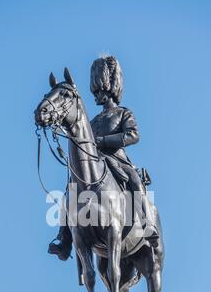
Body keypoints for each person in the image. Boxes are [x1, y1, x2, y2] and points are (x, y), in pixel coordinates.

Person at [49, 56, 156, 261]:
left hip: (117, 160)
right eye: (94, 91)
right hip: (95, 164)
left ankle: (147, 222)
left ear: (109, 89)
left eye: (99, 90)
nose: (96, 95)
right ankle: (64, 239)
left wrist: (103, 141)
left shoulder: (123, 113)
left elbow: (133, 135)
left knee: (134, 178)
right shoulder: (92, 120)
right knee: (70, 190)